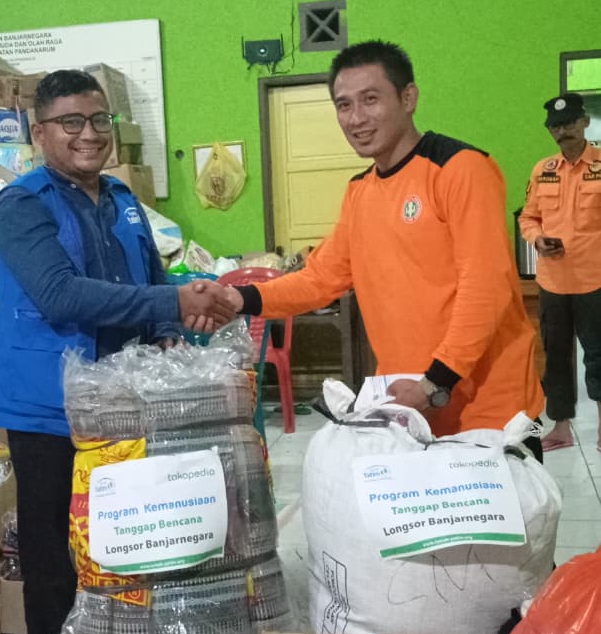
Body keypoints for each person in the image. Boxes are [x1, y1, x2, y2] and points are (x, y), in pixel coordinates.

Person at [0, 69, 236, 634]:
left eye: (99, 120)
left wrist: (173, 325)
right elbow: (60, 294)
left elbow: (149, 278)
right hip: (49, 411)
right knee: (54, 557)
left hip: (122, 402)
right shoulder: (21, 205)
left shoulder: (122, 199)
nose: (88, 134)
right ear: (40, 134)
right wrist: (169, 299)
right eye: (71, 122)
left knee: (126, 541)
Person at [222, 40, 543, 441]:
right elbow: (319, 280)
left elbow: (486, 288)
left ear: (408, 98)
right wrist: (238, 298)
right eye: (344, 105)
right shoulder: (361, 192)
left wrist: (435, 381)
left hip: (489, 415)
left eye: (370, 99)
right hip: (408, 409)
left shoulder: (459, 169)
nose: (356, 118)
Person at [519, 92, 601, 452]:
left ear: (584, 122)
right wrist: (538, 239)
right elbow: (528, 217)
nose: (562, 131)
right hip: (553, 281)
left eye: (568, 124)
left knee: (598, 355)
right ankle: (561, 427)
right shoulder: (544, 170)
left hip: (595, 280)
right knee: (555, 356)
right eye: (555, 126)